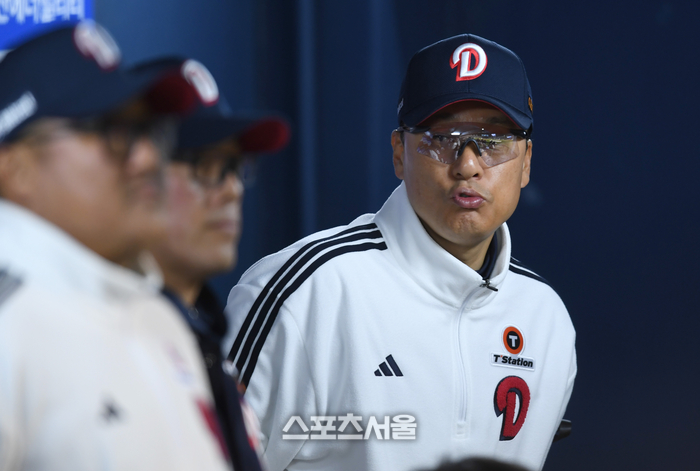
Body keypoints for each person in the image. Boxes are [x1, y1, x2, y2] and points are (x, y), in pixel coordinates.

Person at [225, 33, 576, 471]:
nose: (467, 165)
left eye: (493, 139)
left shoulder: (546, 319)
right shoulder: (304, 293)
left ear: (525, 161)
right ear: (398, 153)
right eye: (441, 137)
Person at [0, 22, 229, 470]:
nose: (148, 158)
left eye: (149, 132)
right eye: (113, 133)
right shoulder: (8, 326)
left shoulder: (160, 317)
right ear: (16, 168)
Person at [151, 98, 290, 471]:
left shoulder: (204, 332)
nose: (232, 190)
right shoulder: (98, 330)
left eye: (234, 167)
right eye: (205, 166)